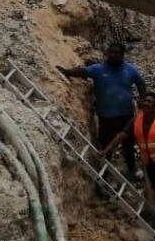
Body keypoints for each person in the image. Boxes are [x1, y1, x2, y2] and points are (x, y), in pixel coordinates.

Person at [58, 42, 148, 180]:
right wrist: (66, 72)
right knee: (106, 146)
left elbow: (141, 84)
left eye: (117, 53)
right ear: (107, 53)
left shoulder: (130, 69)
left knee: (128, 146)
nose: (113, 55)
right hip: (106, 117)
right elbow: (83, 71)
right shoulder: (98, 69)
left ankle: (131, 172)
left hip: (127, 116)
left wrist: (143, 101)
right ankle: (105, 174)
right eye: (111, 52)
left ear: (122, 55)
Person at [99, 90, 155, 230]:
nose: (146, 103)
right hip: (148, 161)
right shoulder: (136, 120)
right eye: (145, 101)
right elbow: (121, 136)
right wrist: (106, 150)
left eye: (150, 102)